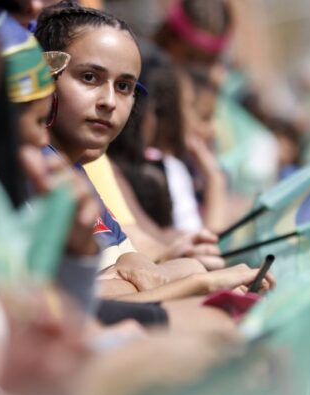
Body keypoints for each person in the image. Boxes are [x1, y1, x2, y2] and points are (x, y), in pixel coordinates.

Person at [34, 1, 275, 305]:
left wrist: (178, 263)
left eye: (124, 86)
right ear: (45, 75)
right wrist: (202, 282)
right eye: (90, 78)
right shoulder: (38, 170)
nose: (108, 101)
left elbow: (132, 264)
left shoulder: (75, 168)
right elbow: (69, 303)